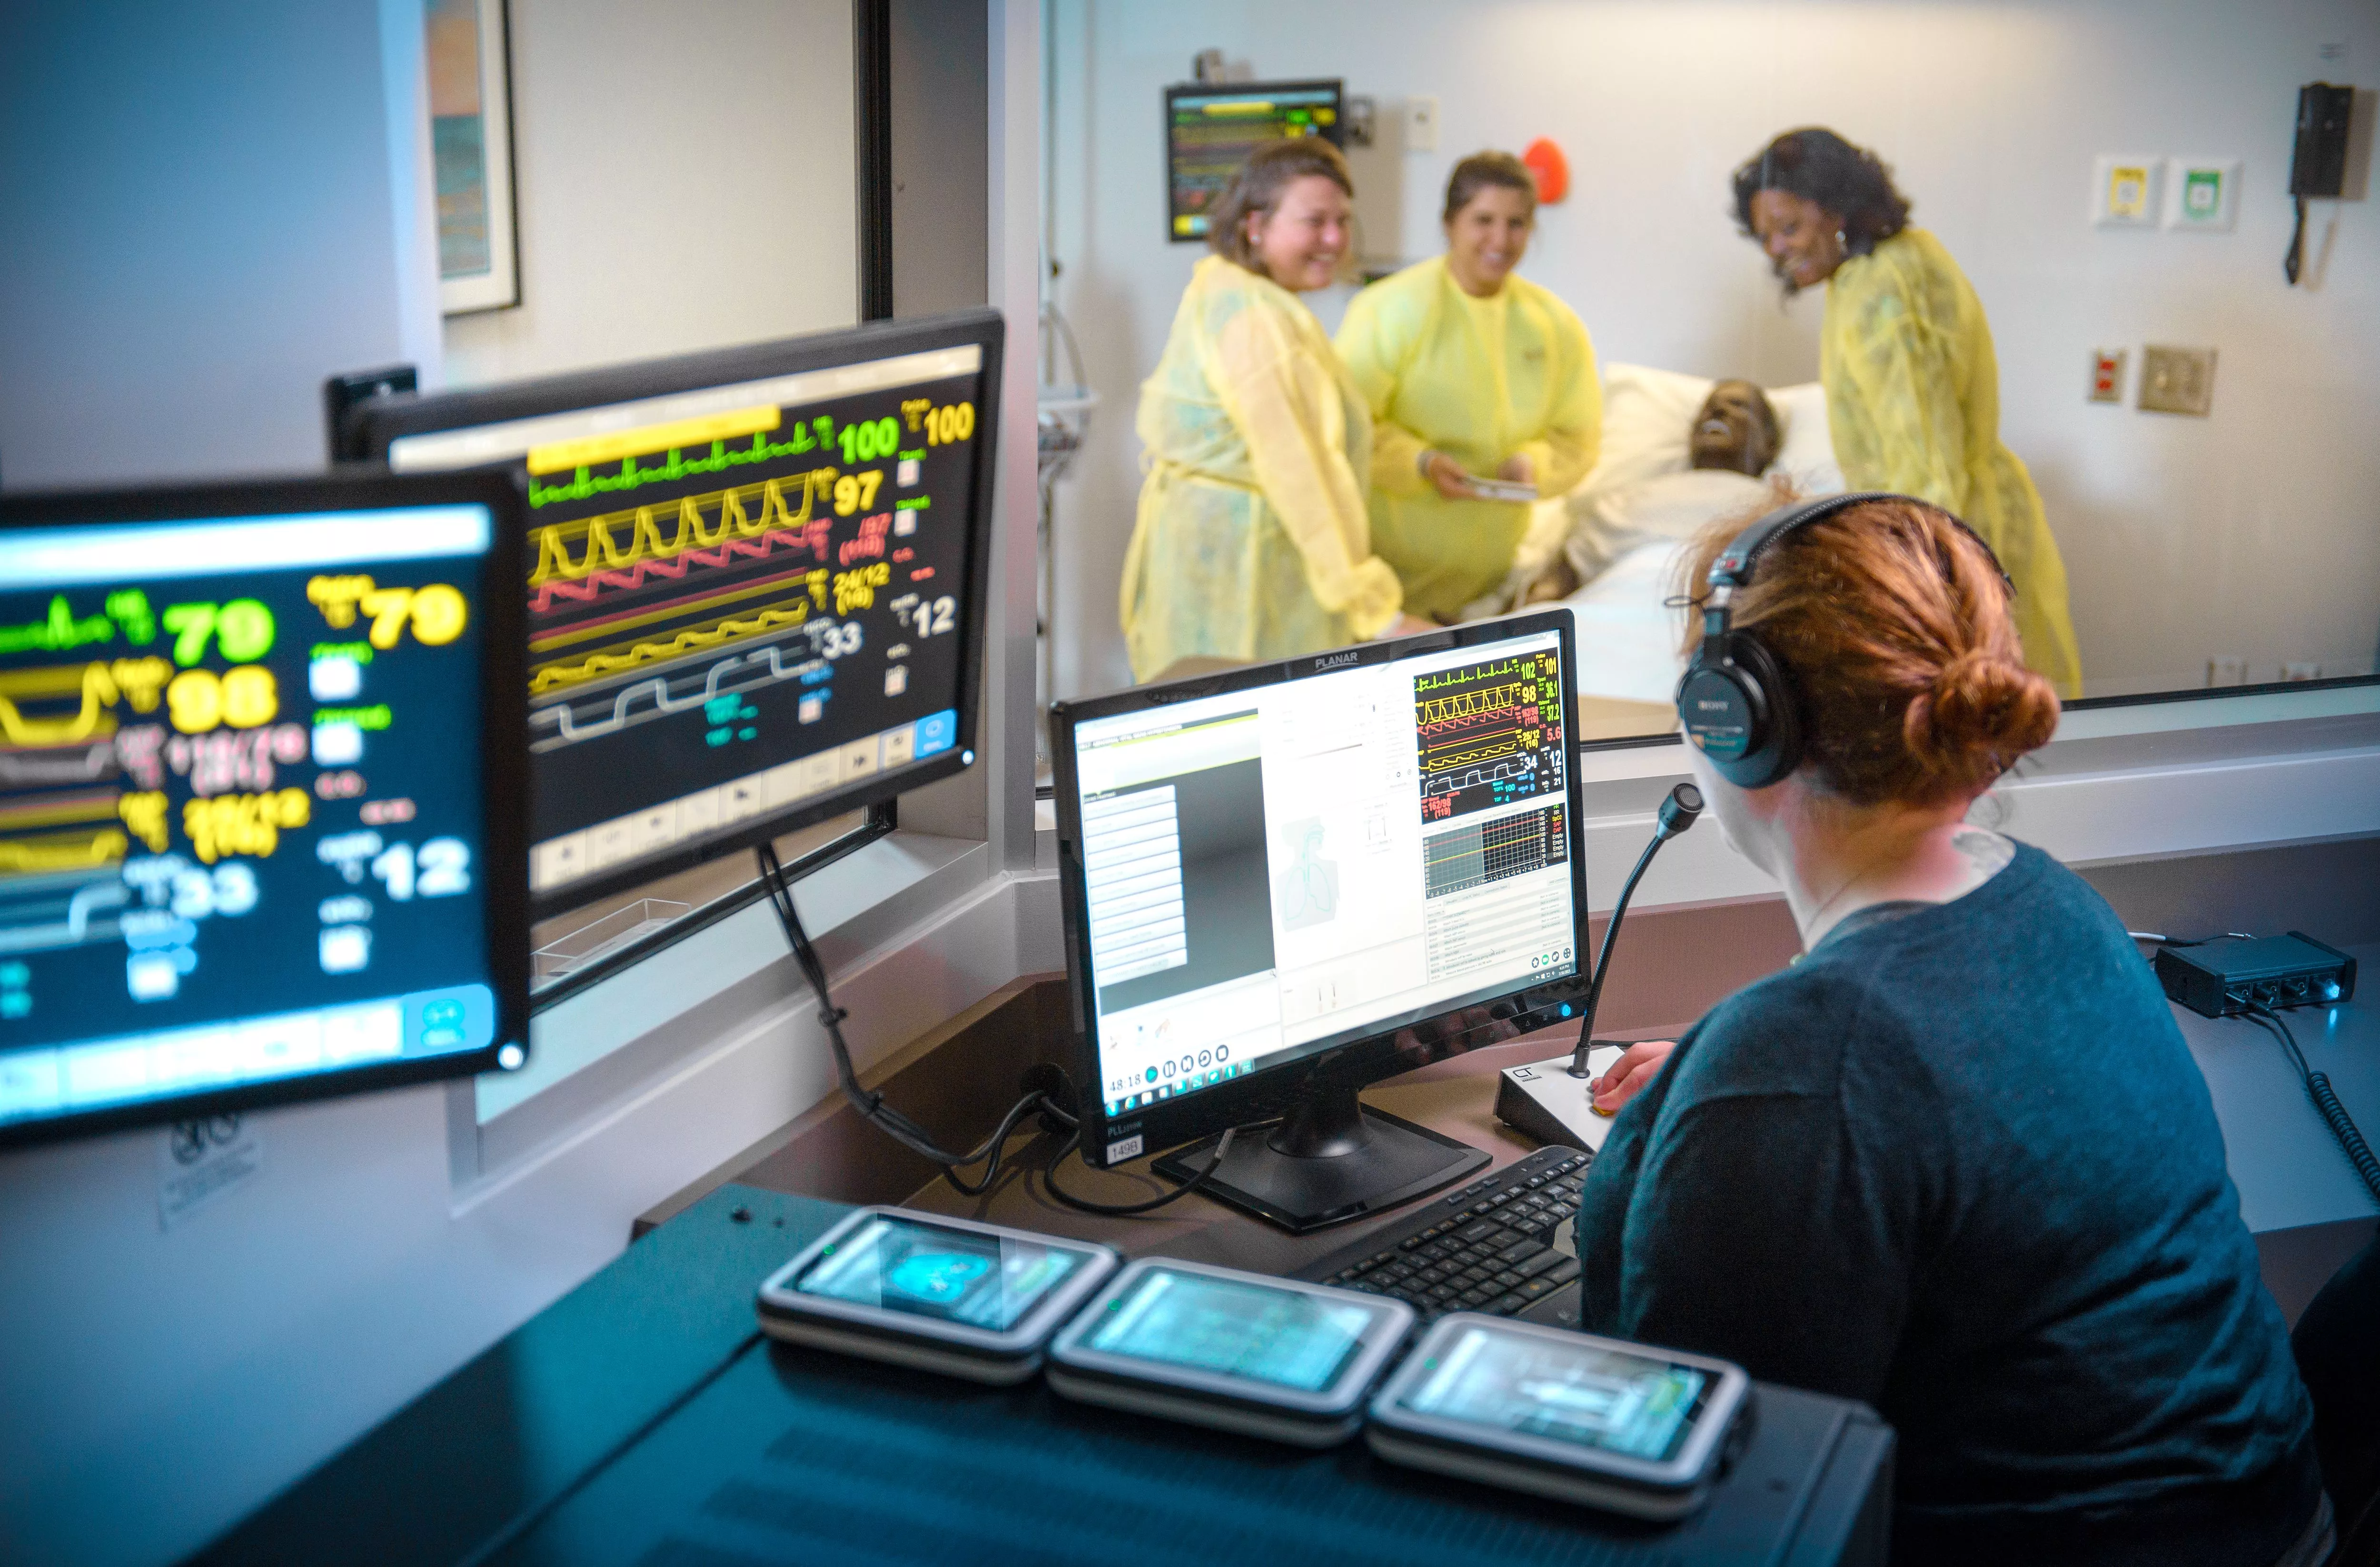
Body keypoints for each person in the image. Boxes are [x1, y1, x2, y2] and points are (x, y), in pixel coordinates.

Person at [1575, 494, 2328, 1566]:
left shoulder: (1805, 1071)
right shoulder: (2046, 900)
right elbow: (1909, 1063)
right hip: (2264, 1524)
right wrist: (1728, 1083)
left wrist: (1745, 1102)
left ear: (1732, 718)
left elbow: (1682, 1498)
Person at [1733, 129, 2084, 696]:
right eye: (1765, 236)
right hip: (1954, 524)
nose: (1775, 249)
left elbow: (1925, 464)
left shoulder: (1882, 288)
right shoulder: (1871, 272)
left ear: (1837, 209)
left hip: (1948, 535)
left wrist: (1919, 592)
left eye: (1788, 227)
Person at [1120, 139, 1427, 683]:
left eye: (1342, 221)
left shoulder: (1228, 288)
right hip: (1243, 583)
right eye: (1314, 222)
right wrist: (1374, 608)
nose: (1334, 239)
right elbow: (1299, 473)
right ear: (1254, 226)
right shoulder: (1255, 321)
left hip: (1215, 567)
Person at [1336, 151, 1602, 621]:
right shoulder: (1389, 310)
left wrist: (1532, 464)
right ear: (1448, 223)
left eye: (1516, 223)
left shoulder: (1553, 326)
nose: (1500, 239)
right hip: (1387, 583)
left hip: (1490, 588)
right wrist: (1419, 462)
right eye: (1483, 220)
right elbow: (1345, 426)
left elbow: (1577, 438)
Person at [1513, 379, 1783, 605]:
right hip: (1605, 615)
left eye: (1738, 405)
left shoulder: (1779, 512)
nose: (1718, 411)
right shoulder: (1623, 501)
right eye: (1708, 409)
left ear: (1770, 444)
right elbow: (1553, 587)